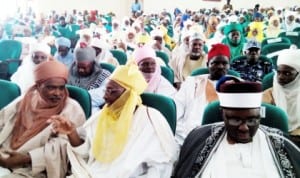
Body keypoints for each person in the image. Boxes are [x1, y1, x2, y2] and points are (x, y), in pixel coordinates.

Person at [49, 62, 178, 177]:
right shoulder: (102, 115)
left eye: (111, 91)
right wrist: (72, 133)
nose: (105, 96)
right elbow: (87, 154)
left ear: (128, 94)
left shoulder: (151, 119)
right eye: (106, 90)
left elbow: (162, 165)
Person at [173, 76, 300, 178]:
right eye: (235, 120)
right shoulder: (199, 139)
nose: (244, 128)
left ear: (259, 117)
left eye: (251, 120)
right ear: (223, 115)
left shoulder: (281, 142)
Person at [0, 60, 86, 177]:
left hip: (35, 168)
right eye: (51, 87)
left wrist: (27, 158)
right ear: (38, 86)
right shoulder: (26, 99)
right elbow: (3, 119)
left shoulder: (72, 109)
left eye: (61, 88)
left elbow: (66, 148)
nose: (58, 93)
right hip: (5, 153)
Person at [174, 43, 230, 145]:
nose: (220, 67)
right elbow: (176, 113)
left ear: (229, 65)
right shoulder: (192, 83)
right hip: (191, 135)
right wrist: (190, 136)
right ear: (208, 64)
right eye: (215, 63)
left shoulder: (237, 85)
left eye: (224, 63)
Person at [262, 49, 300, 147]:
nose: (281, 77)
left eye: (287, 73)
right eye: (278, 72)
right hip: (275, 142)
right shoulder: (268, 95)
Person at [68, 43, 111, 113]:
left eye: (84, 68)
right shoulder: (71, 73)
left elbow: (96, 98)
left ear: (93, 64)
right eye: (78, 67)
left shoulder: (104, 76)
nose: (80, 70)